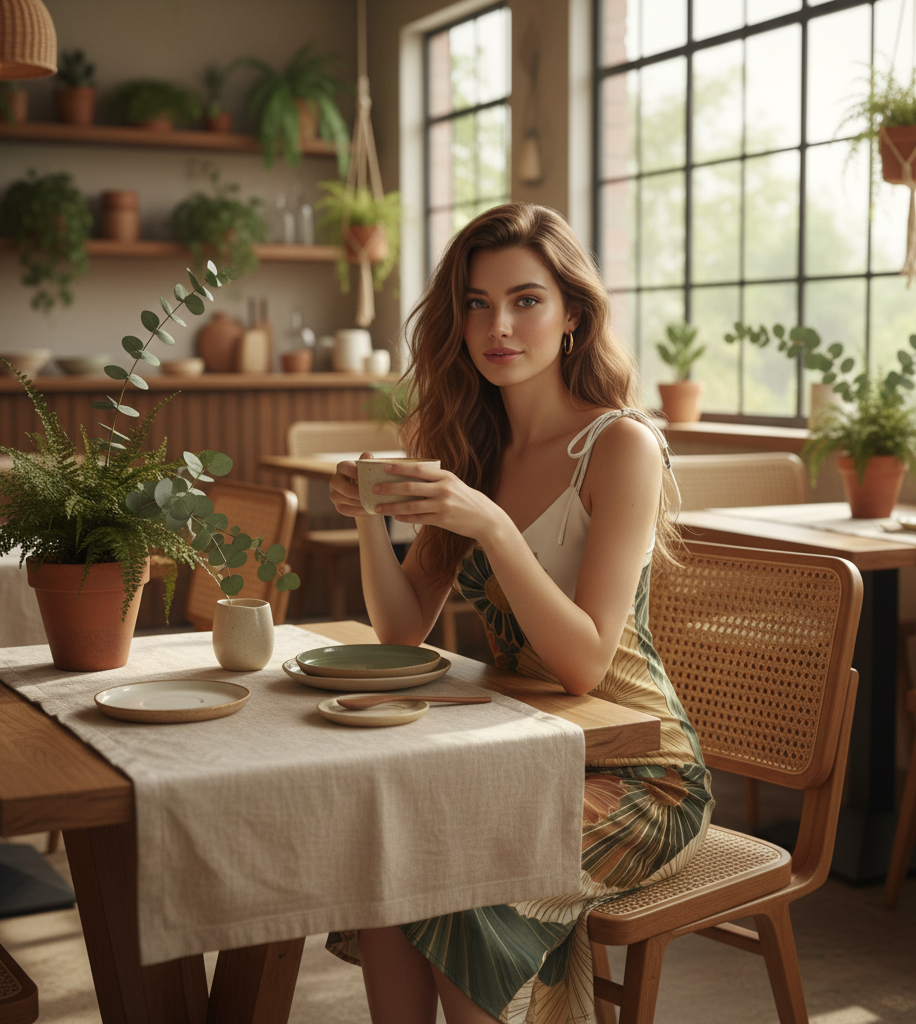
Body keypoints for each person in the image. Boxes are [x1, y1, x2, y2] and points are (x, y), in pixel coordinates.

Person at [327, 203, 713, 1024]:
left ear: (572, 315)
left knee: (459, 868)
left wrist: (493, 525)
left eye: (525, 299)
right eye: (476, 302)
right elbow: (401, 634)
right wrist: (366, 514)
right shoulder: (470, 444)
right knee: (384, 848)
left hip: (642, 772)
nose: (498, 325)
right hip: (527, 748)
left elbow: (584, 666)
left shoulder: (621, 446)